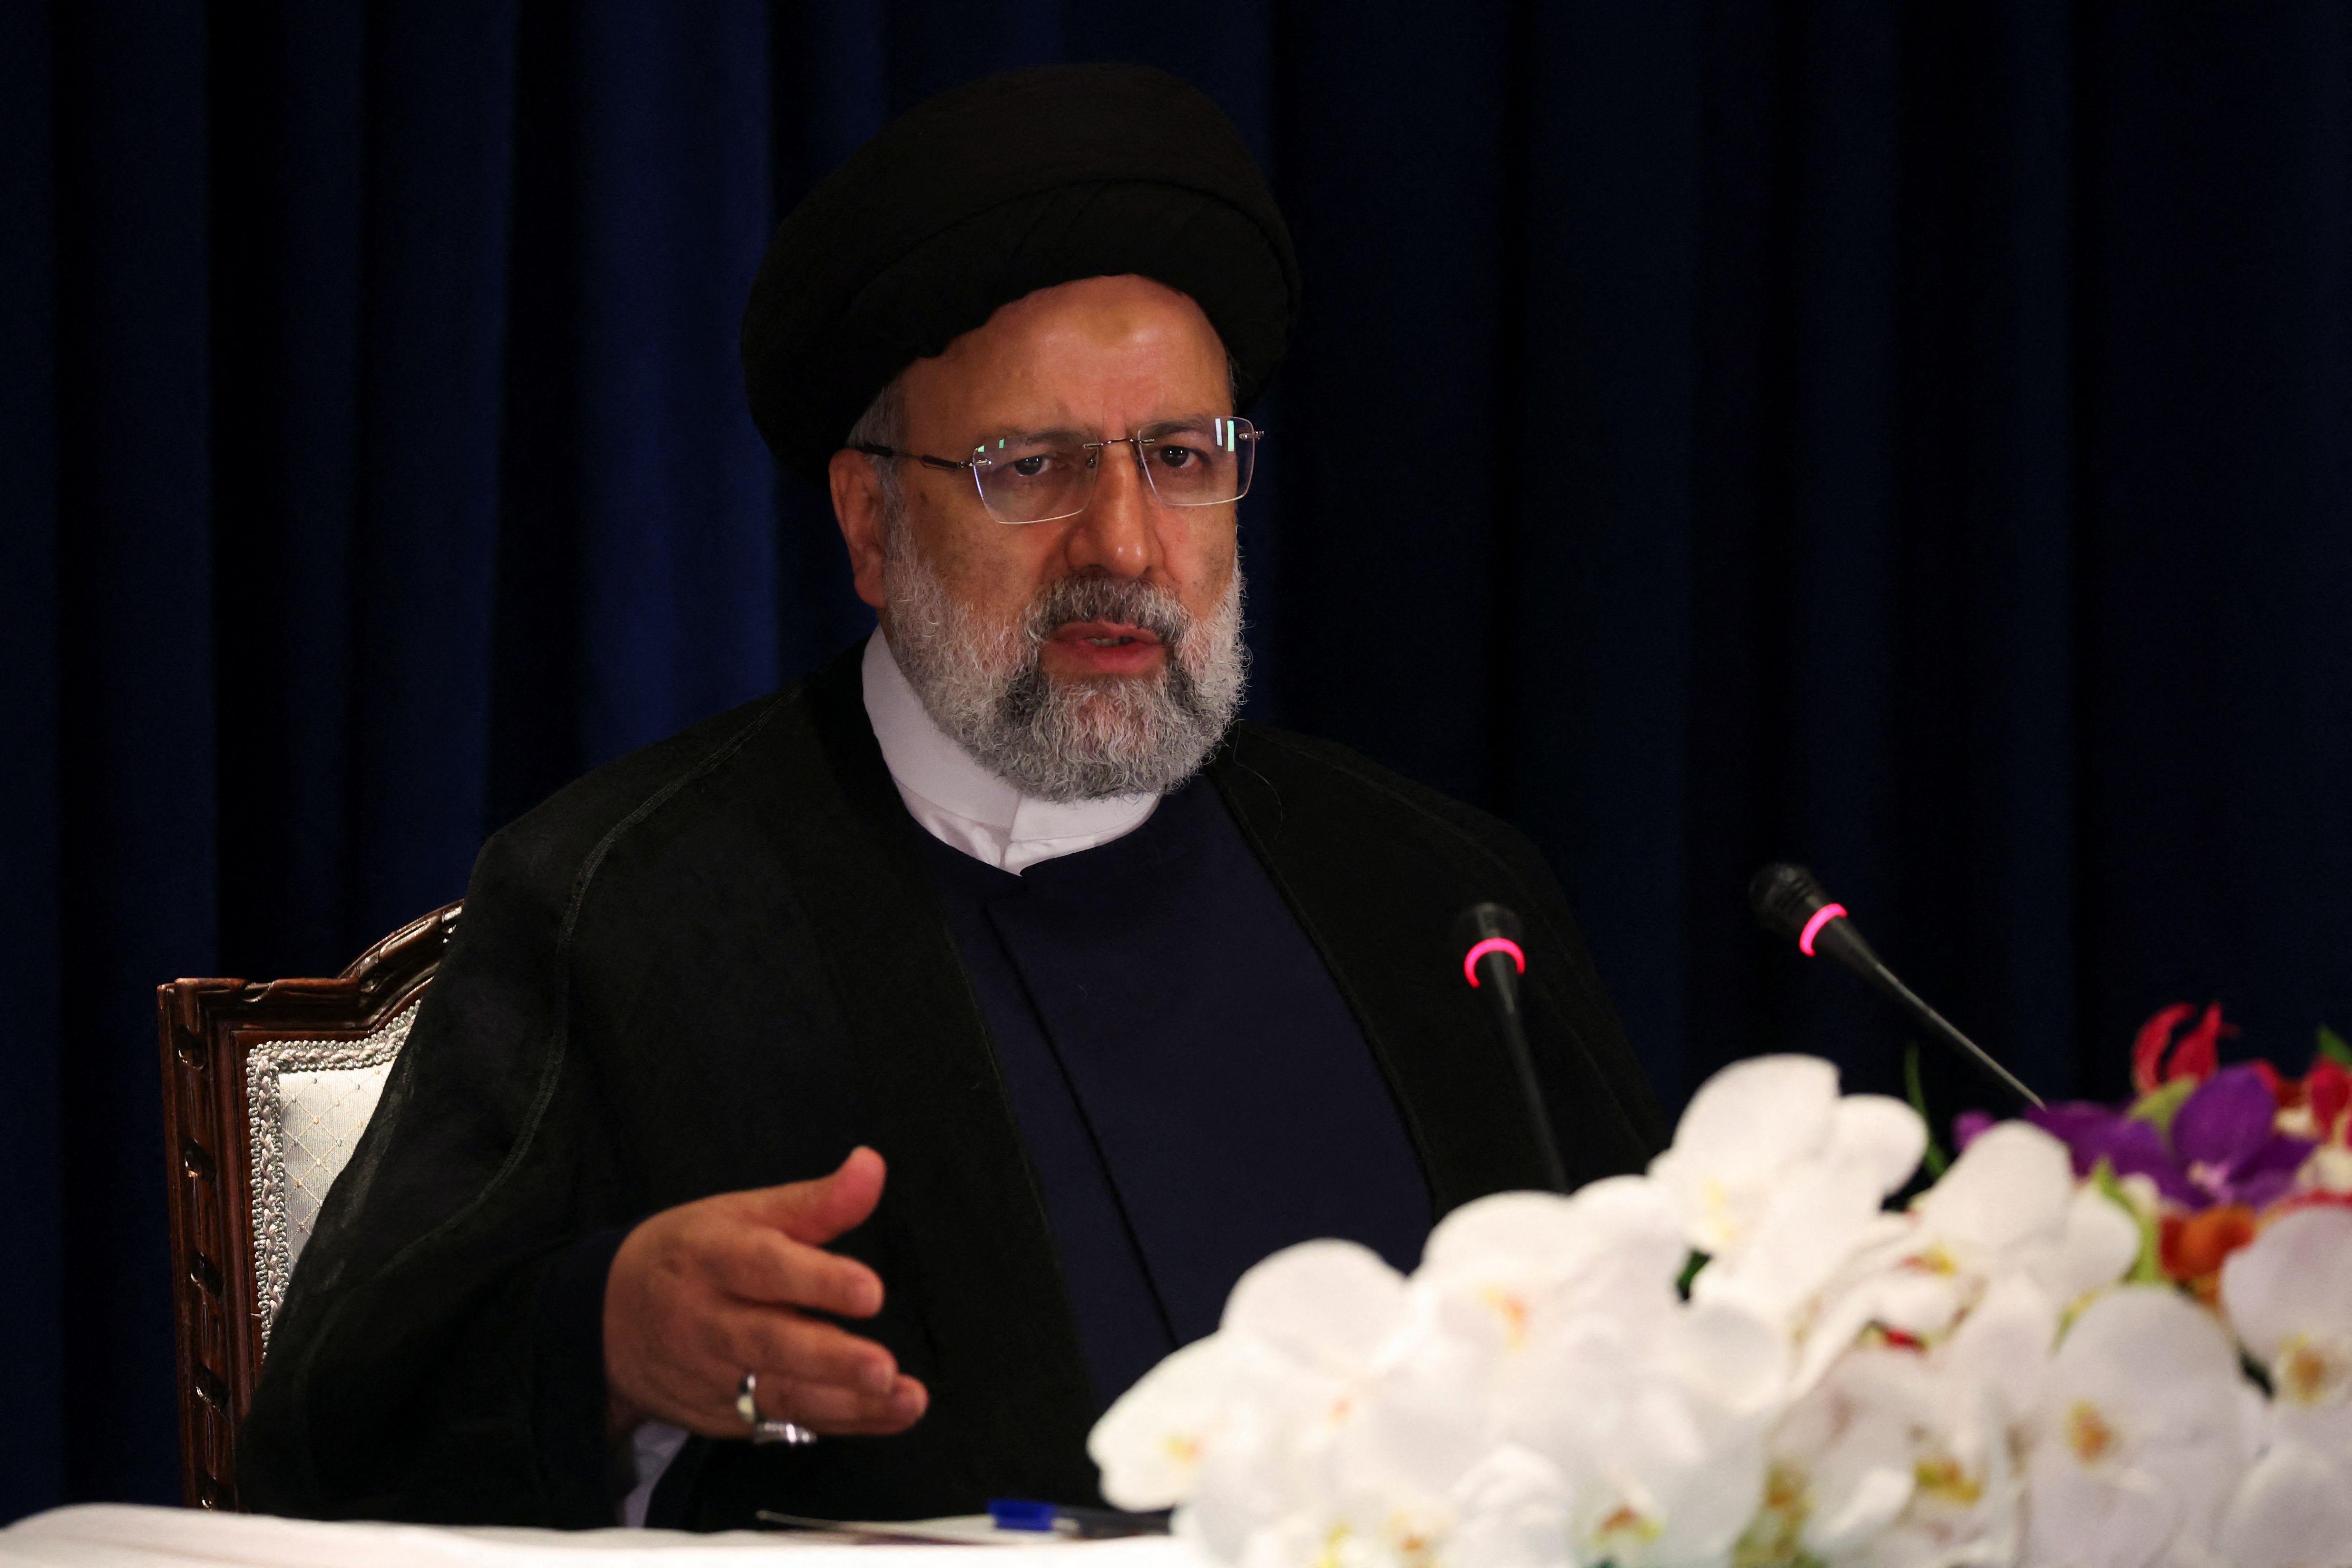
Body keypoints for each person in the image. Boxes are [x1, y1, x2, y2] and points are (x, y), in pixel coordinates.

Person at [239, 62, 1664, 1532]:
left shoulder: (1434, 895)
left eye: (1180, 459)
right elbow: (326, 1440)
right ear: (870, 520)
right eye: (1029, 468)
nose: (1123, 542)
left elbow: (1677, 1386)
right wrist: (603, 1341)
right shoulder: (629, 899)